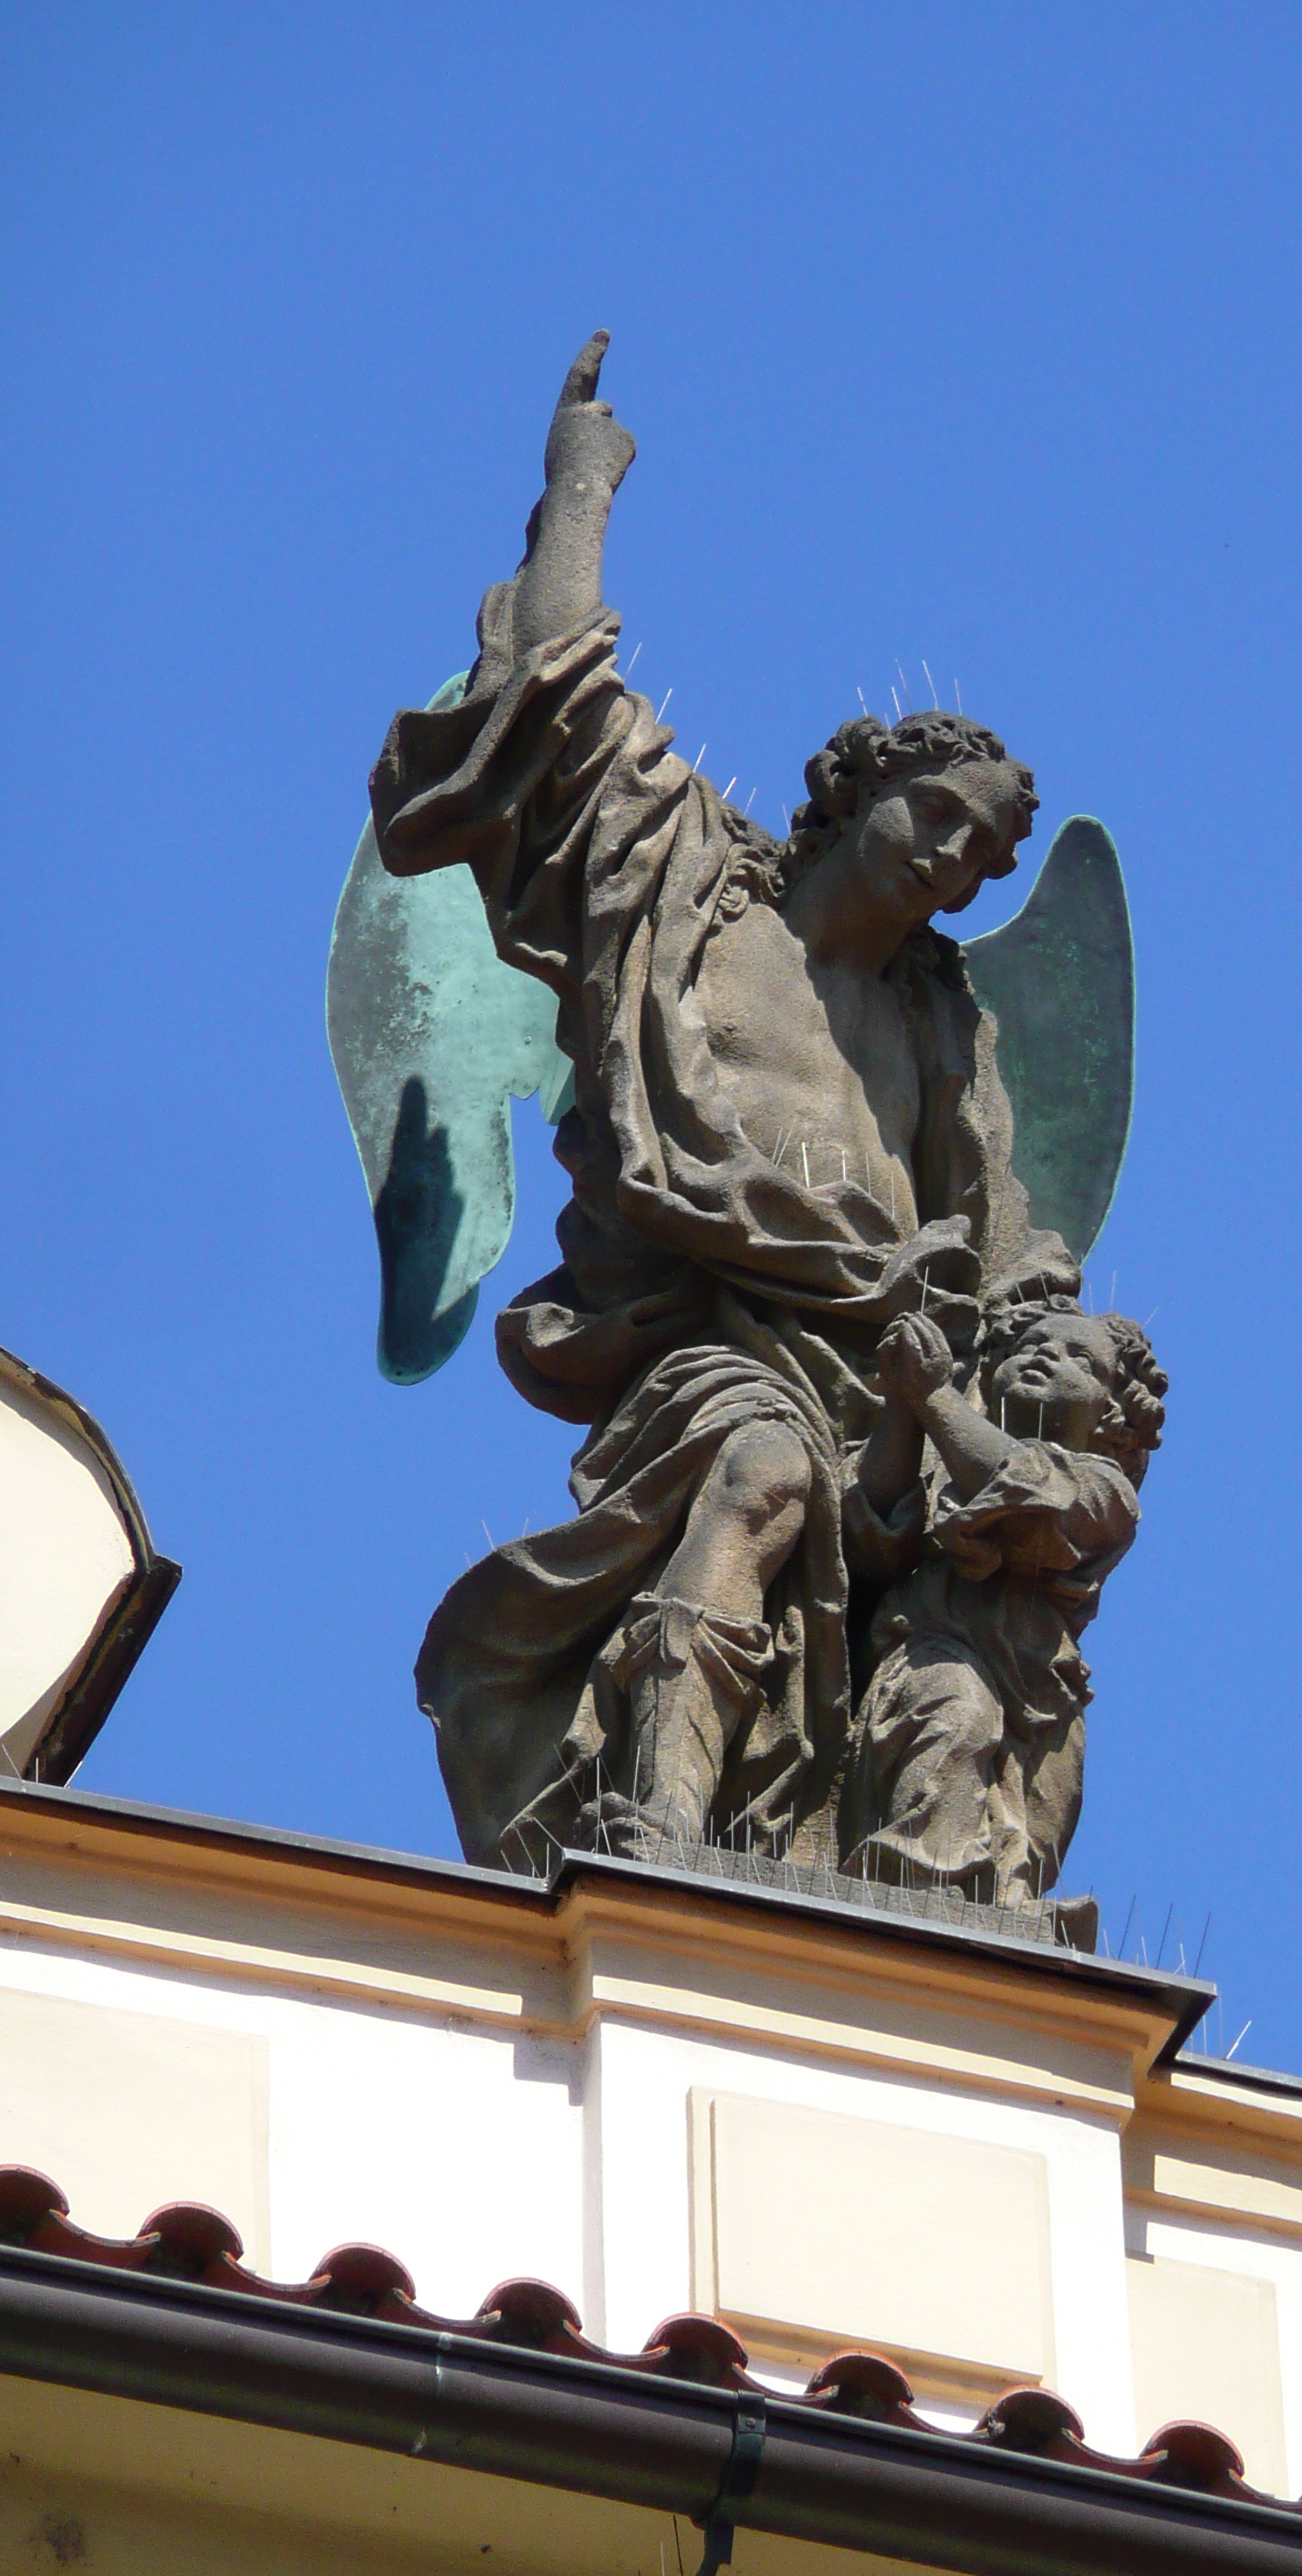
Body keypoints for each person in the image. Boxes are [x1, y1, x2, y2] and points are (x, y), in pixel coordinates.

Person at [370, 335, 1060, 1866]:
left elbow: (1001, 1236)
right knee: (755, 1473)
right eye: (938, 819)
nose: (956, 862)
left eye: (987, 859)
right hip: (714, 1343)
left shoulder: (939, 1018)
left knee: (899, 1663)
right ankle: (654, 1836)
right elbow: (556, 698)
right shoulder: (686, 879)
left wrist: (1035, 1374)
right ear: (861, 788)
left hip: (886, 1372)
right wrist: (580, 486)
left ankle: (846, 1859)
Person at [838, 1285, 1167, 1903]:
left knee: (1015, 1864)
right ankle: (916, 1912)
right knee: (954, 1718)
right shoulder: (943, 1456)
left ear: (1111, 1417)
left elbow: (1024, 1495)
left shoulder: (1105, 1490)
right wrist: (905, 1405)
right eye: (1031, 1344)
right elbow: (870, 1527)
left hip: (1039, 1718)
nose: (1045, 1355)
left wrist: (932, 1397)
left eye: (1079, 1359)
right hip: (930, 1657)